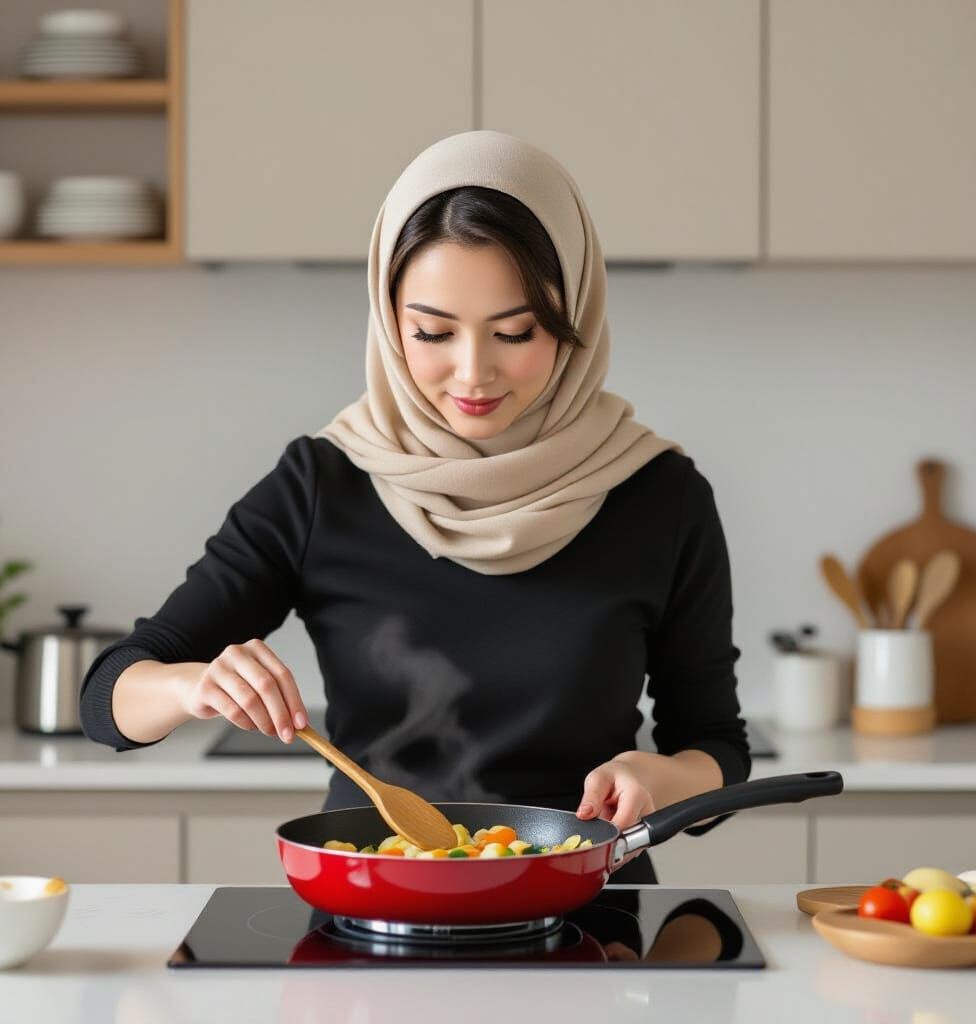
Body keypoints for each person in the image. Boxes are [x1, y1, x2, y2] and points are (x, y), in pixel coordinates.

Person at [79, 130, 749, 883]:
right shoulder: (321, 484)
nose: (473, 372)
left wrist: (664, 780)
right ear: (388, 316)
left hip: (591, 911)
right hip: (374, 904)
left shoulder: (659, 495)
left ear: (576, 318)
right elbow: (107, 698)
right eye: (432, 331)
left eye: (515, 331)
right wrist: (189, 685)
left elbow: (717, 748)